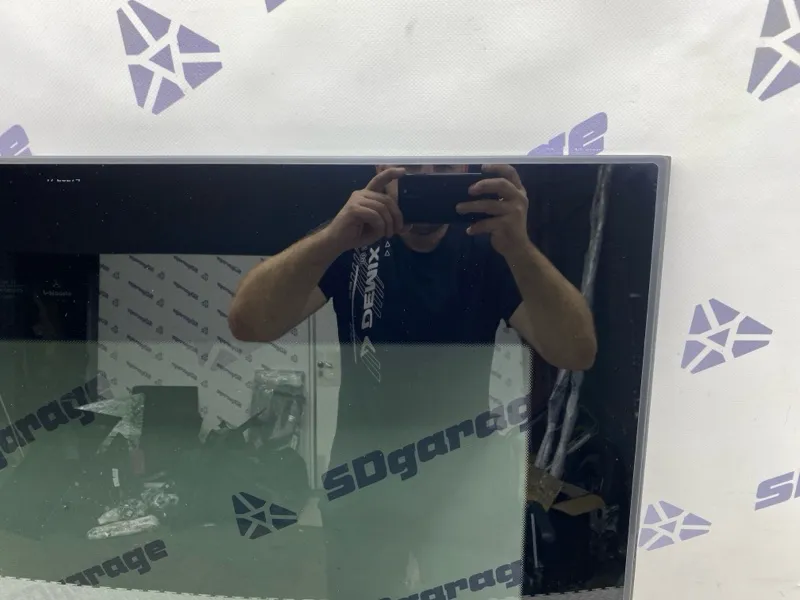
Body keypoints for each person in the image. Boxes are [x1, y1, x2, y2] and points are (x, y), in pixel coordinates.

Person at [229, 163, 596, 600]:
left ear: (466, 170)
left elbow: (576, 353)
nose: (428, 178)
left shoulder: (491, 246)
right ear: (383, 168)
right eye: (414, 168)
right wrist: (331, 239)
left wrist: (520, 247)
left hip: (462, 483)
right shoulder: (353, 239)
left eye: (442, 169)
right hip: (363, 479)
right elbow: (249, 324)